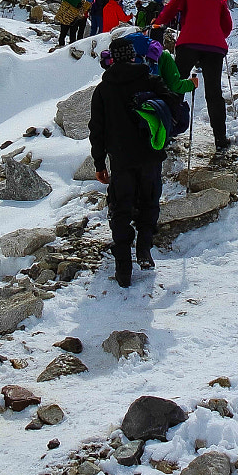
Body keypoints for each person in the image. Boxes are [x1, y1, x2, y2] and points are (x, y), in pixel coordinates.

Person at [89, 32, 179, 287]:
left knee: (121, 207)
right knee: (149, 201)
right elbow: (173, 103)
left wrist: (98, 163)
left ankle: (123, 267)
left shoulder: (103, 90)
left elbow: (96, 129)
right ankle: (144, 250)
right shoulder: (150, 80)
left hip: (121, 160)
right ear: (134, 56)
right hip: (151, 154)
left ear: (113, 61)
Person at [153, 0, 233, 158]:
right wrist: (215, 35)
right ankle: (221, 140)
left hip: (188, 43)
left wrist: (157, 23)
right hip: (215, 48)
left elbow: (169, 11)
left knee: (176, 83)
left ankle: (170, 130)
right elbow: (228, 25)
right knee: (214, 92)